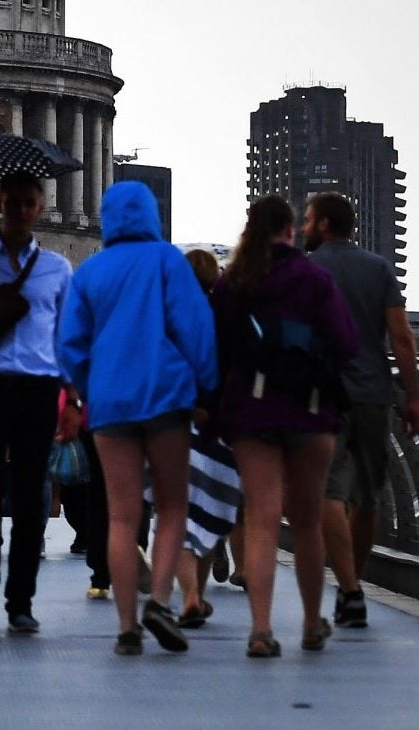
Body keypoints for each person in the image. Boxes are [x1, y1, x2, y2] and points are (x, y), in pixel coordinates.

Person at [57, 180, 219, 657]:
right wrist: (205, 386)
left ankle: (126, 625)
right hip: (167, 398)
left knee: (121, 515)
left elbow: (70, 345)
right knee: (171, 507)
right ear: (150, 215)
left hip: (109, 403)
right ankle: (161, 601)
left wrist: (87, 389)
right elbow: (196, 330)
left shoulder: (90, 272)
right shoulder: (169, 261)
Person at [214, 196, 359, 659]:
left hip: (252, 410)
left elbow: (216, 349)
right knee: (308, 520)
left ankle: (260, 629)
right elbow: (346, 342)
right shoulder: (315, 278)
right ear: (291, 231)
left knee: (260, 518)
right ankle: (314, 622)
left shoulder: (234, 282)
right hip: (311, 410)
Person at [0, 171, 73, 633]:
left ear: (39, 207)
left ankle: (20, 600)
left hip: (39, 386)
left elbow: (67, 336)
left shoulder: (58, 269)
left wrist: (72, 400)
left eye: (29, 202)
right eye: (13, 202)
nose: (20, 209)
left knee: (30, 498)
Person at [304, 190, 419, 629]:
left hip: (323, 394)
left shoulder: (308, 271)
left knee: (328, 492)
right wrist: (413, 395)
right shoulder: (379, 269)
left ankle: (349, 587)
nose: (304, 226)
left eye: (310, 219)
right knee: (368, 494)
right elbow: (402, 338)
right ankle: (355, 583)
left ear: (326, 224)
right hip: (373, 393)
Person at [173, 248, 242, 629]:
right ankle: (211, 553)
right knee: (212, 500)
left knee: (179, 508)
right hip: (219, 419)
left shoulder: (169, 312)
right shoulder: (224, 313)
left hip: (176, 418)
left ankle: (189, 597)